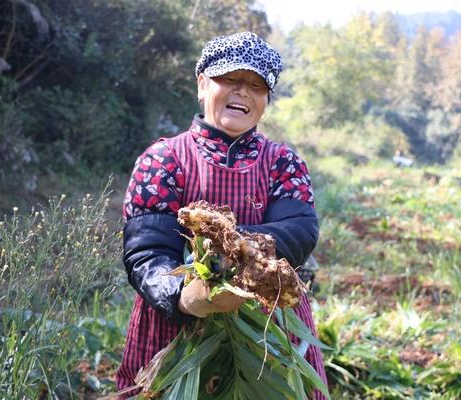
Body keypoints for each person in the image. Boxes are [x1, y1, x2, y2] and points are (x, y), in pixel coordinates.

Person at [116, 31, 328, 399]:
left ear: (265, 100)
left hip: (266, 333)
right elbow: (147, 251)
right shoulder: (163, 160)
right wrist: (185, 296)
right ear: (202, 84)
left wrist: (232, 253)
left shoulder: (283, 163)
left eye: (256, 86)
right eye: (229, 79)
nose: (242, 92)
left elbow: (299, 230)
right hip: (175, 332)